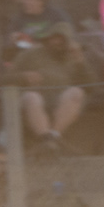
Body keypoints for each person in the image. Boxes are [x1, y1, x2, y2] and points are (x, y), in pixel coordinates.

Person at [12, 21, 92, 153]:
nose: (57, 43)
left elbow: (91, 87)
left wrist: (80, 62)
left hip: (61, 102)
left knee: (76, 92)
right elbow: (4, 78)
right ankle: (45, 138)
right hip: (31, 100)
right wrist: (23, 76)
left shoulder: (75, 57)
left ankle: (52, 137)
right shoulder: (31, 54)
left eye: (62, 40)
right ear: (48, 38)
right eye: (54, 38)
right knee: (32, 97)